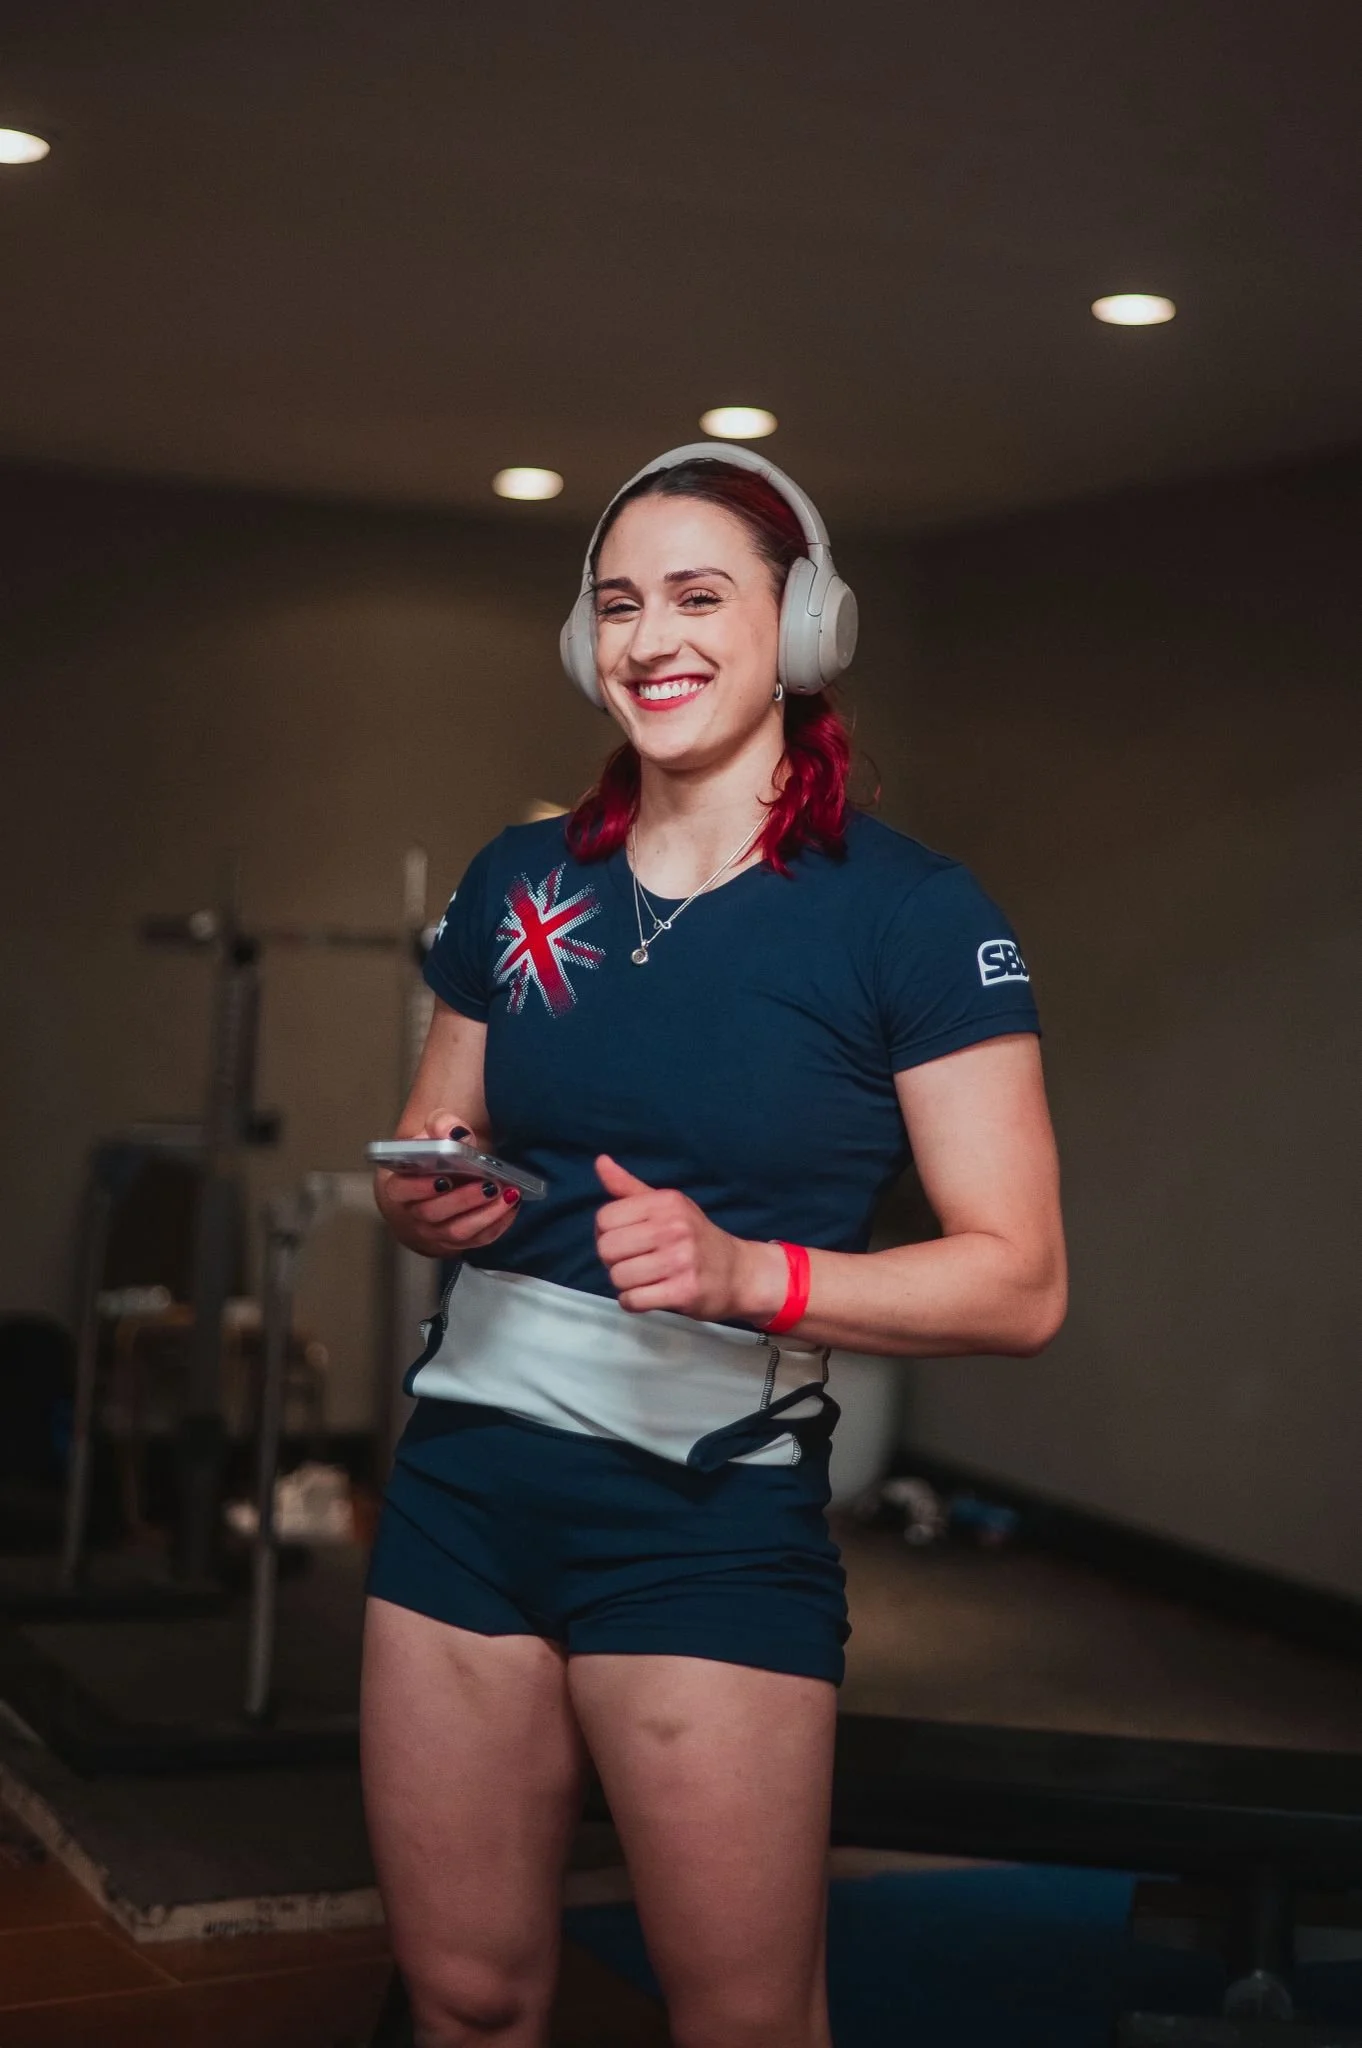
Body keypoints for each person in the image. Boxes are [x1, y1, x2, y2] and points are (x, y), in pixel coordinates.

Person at [362, 444, 1067, 2048]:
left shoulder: (904, 915)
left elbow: (1019, 1278)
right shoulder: (520, 877)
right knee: (464, 1997)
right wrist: (429, 1198)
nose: (648, 639)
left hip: (701, 1518)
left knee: (742, 2022)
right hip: (465, 1486)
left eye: (699, 596)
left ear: (801, 628)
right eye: (616, 605)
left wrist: (757, 1276)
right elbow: (436, 1146)